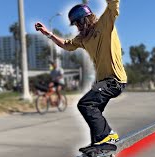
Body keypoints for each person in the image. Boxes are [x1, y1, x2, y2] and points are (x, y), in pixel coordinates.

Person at [35, 0, 127, 145]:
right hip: (103, 82)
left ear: (86, 19)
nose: (77, 28)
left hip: (115, 81)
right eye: (75, 25)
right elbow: (65, 45)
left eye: (78, 24)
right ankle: (97, 143)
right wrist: (47, 33)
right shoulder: (82, 39)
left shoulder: (105, 23)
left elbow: (113, 3)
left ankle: (108, 136)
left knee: (86, 104)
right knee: (93, 114)